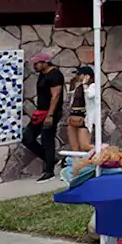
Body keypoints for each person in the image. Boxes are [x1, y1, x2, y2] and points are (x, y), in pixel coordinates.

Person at [22, 52, 64, 182]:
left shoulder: (55, 75)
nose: (34, 66)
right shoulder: (42, 74)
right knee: (27, 138)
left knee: (47, 140)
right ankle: (53, 160)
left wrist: (50, 115)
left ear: (45, 62)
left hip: (50, 113)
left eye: (36, 63)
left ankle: (49, 171)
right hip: (40, 112)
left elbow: (56, 96)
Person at [66, 65, 99, 153]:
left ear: (87, 76)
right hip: (73, 116)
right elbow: (71, 99)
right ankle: (78, 165)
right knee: (75, 148)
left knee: (85, 146)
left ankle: (104, 151)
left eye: (79, 74)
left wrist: (85, 84)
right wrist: (72, 85)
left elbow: (90, 95)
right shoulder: (78, 87)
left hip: (84, 118)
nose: (77, 76)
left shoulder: (93, 86)